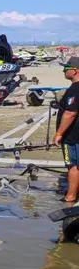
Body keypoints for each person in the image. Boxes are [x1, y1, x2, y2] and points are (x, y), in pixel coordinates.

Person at [54, 57, 79, 203]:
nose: (63, 71)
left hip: (73, 136)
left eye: (66, 68)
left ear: (75, 70)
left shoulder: (75, 89)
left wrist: (59, 133)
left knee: (73, 166)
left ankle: (71, 196)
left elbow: (70, 113)